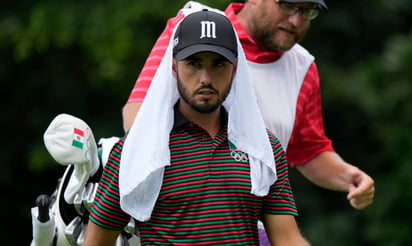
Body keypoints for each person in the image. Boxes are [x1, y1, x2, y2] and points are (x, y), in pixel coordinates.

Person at [122, 0, 375, 211]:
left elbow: (307, 150)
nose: (296, 21)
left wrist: (349, 177)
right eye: (287, 5)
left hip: (256, 223)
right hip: (179, 217)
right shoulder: (192, 27)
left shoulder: (303, 67)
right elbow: (138, 116)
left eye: (307, 11)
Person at [83, 10, 310, 245]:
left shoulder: (263, 148)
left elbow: (287, 239)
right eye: (194, 63)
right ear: (174, 66)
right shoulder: (136, 150)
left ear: (235, 68)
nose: (205, 78)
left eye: (218, 64)